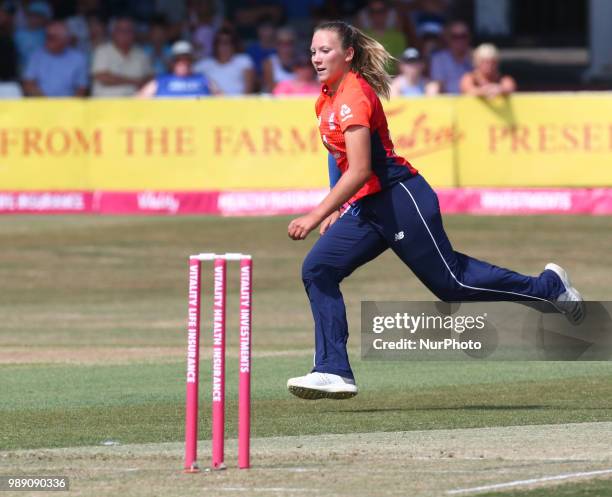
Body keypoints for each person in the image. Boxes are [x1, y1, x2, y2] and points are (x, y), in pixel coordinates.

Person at [285, 21, 584, 399]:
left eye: (325, 50)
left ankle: (548, 288)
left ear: (348, 54)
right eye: (313, 51)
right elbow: (338, 156)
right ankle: (332, 370)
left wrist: (315, 214)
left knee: (451, 284)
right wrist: (334, 204)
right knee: (318, 269)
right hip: (368, 206)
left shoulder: (354, 95)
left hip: (400, 198)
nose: (316, 58)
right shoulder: (326, 97)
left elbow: (361, 168)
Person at [22, 20, 88, 96]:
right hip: (41, 103)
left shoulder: (78, 58)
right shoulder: (36, 56)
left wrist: (71, 107)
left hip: (68, 104)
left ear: (65, 40)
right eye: (47, 36)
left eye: (52, 37)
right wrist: (47, 103)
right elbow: (28, 83)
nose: (47, 40)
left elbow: (81, 87)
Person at [91, 17, 152, 97]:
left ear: (134, 33)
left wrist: (143, 82)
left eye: (129, 30)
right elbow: (103, 77)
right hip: (106, 105)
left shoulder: (141, 54)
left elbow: (150, 78)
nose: (125, 33)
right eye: (121, 30)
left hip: (135, 105)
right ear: (113, 32)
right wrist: (135, 81)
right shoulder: (102, 51)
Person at [137, 40, 217, 98]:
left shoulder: (203, 79)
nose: (182, 62)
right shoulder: (161, 81)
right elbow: (137, 100)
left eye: (187, 59)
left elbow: (223, 99)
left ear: (192, 61)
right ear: (172, 62)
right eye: (178, 59)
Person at [193, 26, 255, 95]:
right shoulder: (204, 64)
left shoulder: (243, 60)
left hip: (239, 103)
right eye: (220, 42)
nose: (224, 46)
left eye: (228, 42)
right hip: (212, 104)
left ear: (234, 45)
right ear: (215, 45)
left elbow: (249, 90)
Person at [430, 20, 472, 94]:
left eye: (463, 36)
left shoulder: (475, 58)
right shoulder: (439, 59)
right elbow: (438, 85)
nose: (460, 40)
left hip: (472, 99)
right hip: (447, 100)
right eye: (455, 37)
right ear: (448, 38)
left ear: (469, 37)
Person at [261, 26, 296, 93]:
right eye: (281, 43)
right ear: (276, 44)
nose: (285, 46)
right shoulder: (269, 63)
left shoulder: (302, 61)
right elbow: (271, 88)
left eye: (289, 43)